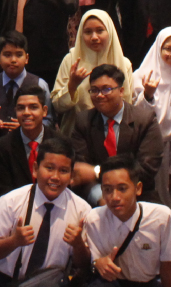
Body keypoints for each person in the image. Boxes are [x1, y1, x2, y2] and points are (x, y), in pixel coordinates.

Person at [0, 137, 91, 287]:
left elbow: (84, 264)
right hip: (5, 286)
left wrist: (78, 245)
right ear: (35, 169)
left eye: (63, 171)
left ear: (71, 176)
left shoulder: (82, 210)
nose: (55, 177)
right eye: (49, 168)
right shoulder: (10, 201)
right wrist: (14, 241)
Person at [81, 154, 171, 287]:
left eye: (122, 188)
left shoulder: (161, 217)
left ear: (138, 188)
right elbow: (93, 263)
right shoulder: (94, 219)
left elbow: (167, 270)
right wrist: (98, 262)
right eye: (108, 190)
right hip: (111, 286)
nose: (115, 197)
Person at [70, 64, 163, 204]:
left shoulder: (145, 120)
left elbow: (146, 169)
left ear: (121, 91)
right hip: (97, 195)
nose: (100, 95)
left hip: (139, 195)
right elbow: (81, 171)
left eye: (106, 89)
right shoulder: (83, 121)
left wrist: (96, 172)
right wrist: (102, 197)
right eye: (94, 90)